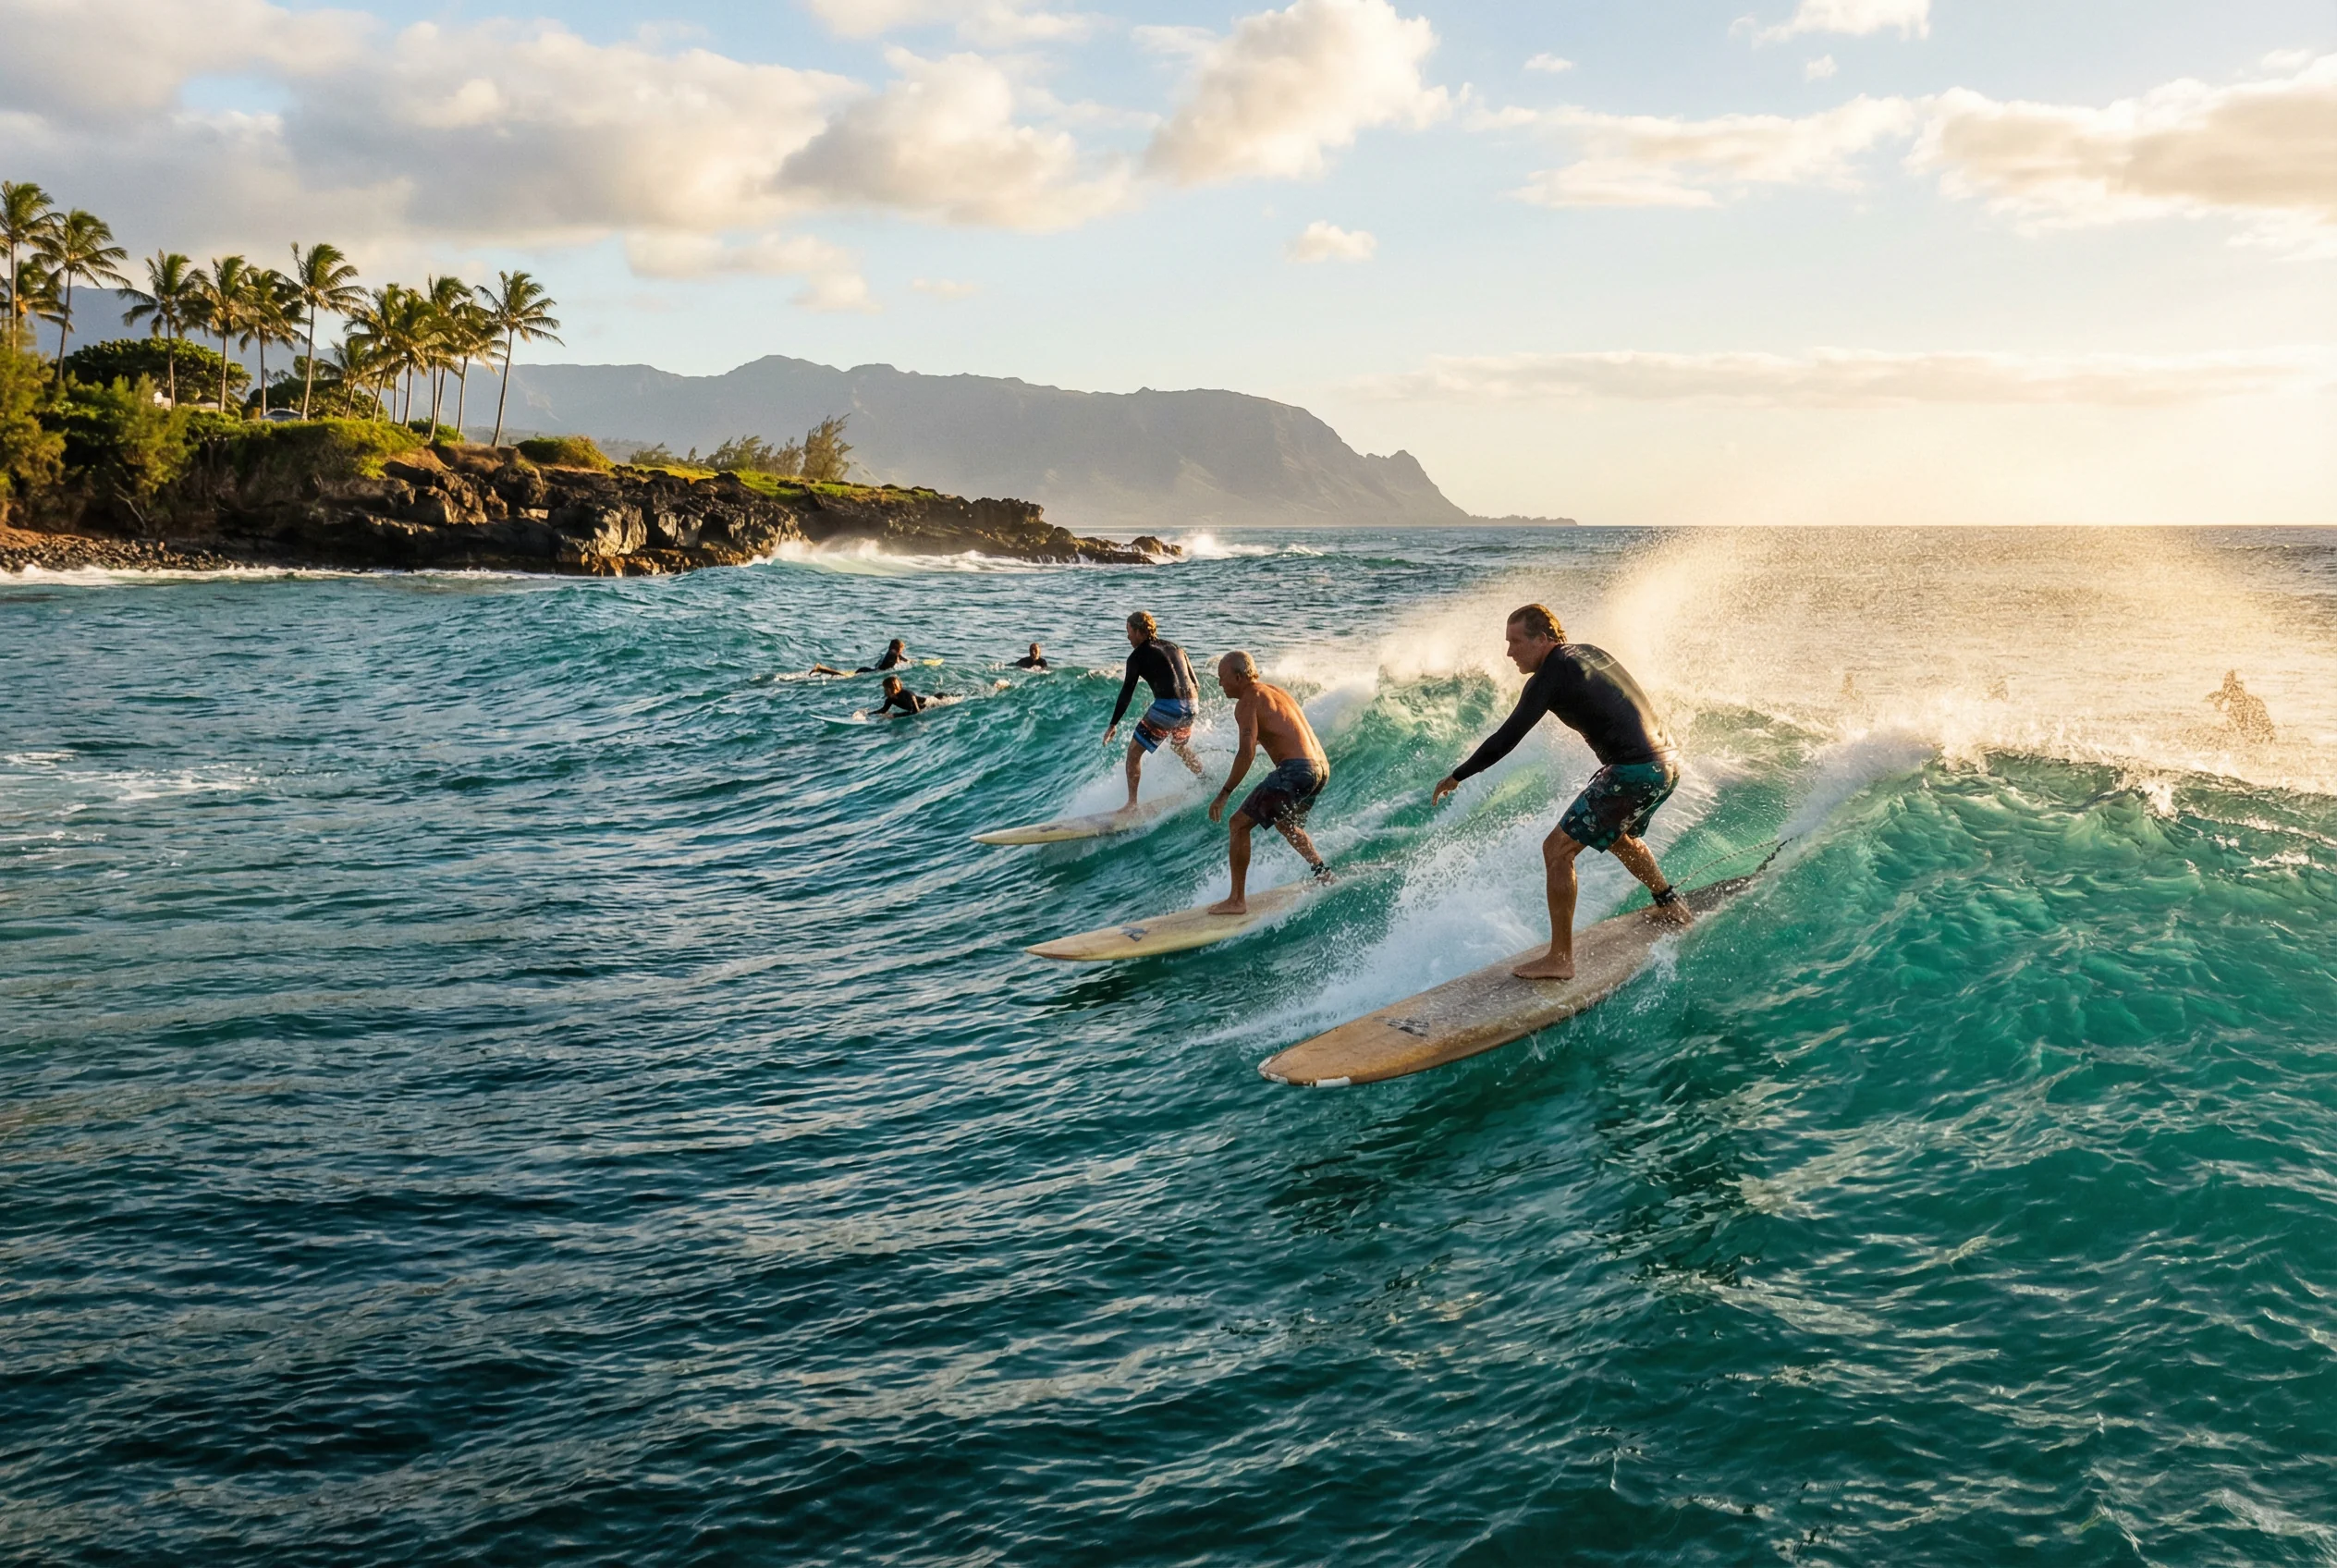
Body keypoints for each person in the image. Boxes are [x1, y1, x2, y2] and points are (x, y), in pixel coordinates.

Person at [1431, 605, 1691, 981]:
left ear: (1543, 639)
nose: (1509, 653)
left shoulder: (1549, 675)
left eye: (1515, 642)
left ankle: (1560, 959)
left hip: (1634, 770)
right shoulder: (1591, 653)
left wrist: (1458, 775)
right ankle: (1668, 902)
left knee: (1557, 850)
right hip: (1666, 764)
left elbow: (1507, 738)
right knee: (1618, 837)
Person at [1207, 652, 1332, 914]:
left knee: (1238, 825)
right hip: (1320, 768)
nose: (1220, 684)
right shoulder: (1274, 691)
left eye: (1222, 678)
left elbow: (1246, 753)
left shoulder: (1247, 701)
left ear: (1239, 677)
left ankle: (1236, 901)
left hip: (1296, 770)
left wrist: (1224, 793)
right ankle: (1322, 873)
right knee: (1287, 825)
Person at [1103, 611, 1205, 809]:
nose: (1128, 637)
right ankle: (1204, 777)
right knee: (1179, 746)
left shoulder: (1137, 656)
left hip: (1169, 706)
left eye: (1129, 632)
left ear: (1140, 631)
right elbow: (1195, 683)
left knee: (1133, 753)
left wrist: (1113, 724)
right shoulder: (1176, 648)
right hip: (1192, 705)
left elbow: (1127, 692)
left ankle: (1131, 805)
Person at [2209, 669, 2276, 742]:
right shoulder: (2228, 687)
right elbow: (2223, 695)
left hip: (2241, 707)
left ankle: (2260, 737)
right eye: (2226, 679)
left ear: (2232, 679)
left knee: (2244, 725)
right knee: (2240, 725)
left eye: (2228, 678)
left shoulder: (2237, 687)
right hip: (2237, 707)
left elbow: (2238, 696)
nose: (2226, 680)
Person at [811, 638, 910, 677]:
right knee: (843, 676)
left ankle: (821, 669)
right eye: (901, 649)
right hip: (870, 672)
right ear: (897, 648)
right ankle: (820, 668)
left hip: (868, 670)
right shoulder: (893, 653)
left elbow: (901, 658)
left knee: (844, 675)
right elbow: (897, 656)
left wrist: (910, 661)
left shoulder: (890, 652)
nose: (902, 651)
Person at [867, 676, 935, 718]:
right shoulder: (890, 699)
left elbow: (916, 712)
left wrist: (895, 715)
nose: (885, 691)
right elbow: (883, 710)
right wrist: (868, 714)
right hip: (921, 707)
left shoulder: (908, 695)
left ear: (893, 688)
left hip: (932, 703)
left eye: (886, 689)